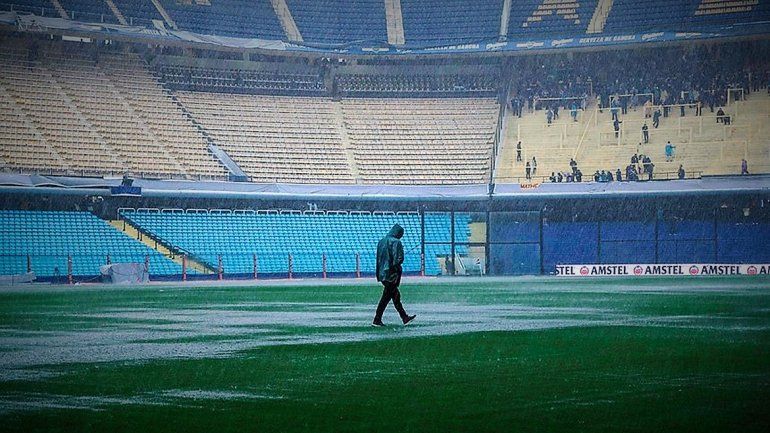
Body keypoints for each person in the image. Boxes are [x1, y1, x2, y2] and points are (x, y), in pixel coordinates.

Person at [372, 224, 416, 327]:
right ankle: (378, 320)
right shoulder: (396, 242)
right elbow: (398, 259)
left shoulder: (381, 241)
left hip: (382, 273)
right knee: (389, 297)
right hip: (391, 274)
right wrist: (397, 268)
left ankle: (403, 317)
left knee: (392, 296)